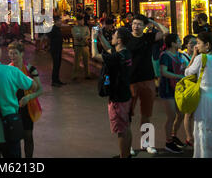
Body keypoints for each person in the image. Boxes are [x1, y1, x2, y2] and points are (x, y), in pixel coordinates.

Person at [127, 14, 168, 155]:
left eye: (139, 24)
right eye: (134, 23)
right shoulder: (127, 38)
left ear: (144, 26)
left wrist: (152, 21)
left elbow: (165, 32)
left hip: (148, 80)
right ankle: (128, 145)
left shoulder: (148, 38)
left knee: (146, 114)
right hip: (131, 81)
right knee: (128, 116)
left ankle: (146, 143)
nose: (135, 26)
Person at [91, 27, 133, 158]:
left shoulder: (116, 57)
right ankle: (126, 154)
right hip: (126, 94)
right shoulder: (125, 53)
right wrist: (100, 36)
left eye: (114, 36)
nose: (112, 38)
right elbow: (109, 47)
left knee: (121, 131)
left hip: (117, 98)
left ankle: (123, 156)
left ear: (119, 40)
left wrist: (93, 39)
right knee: (126, 127)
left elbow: (95, 55)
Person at [184, 32, 212, 158]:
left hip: (205, 96)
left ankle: (204, 155)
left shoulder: (201, 58)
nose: (197, 46)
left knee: (203, 127)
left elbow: (187, 72)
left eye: (199, 43)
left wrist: (194, 56)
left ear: (207, 44)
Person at [8, 41, 43, 158]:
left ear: (22, 54)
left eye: (15, 53)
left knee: (28, 136)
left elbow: (40, 90)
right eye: (11, 54)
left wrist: (29, 97)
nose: (13, 57)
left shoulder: (31, 69)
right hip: (12, 107)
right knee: (14, 138)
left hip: (27, 107)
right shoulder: (7, 70)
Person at [159, 34, 186, 153]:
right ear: (173, 43)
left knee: (180, 114)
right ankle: (168, 142)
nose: (180, 42)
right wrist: (179, 76)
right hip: (167, 88)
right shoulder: (165, 55)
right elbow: (164, 72)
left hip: (178, 88)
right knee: (171, 116)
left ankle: (173, 136)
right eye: (179, 40)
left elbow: (182, 68)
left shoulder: (179, 55)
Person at [180, 35, 197, 147]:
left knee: (196, 113)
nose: (194, 45)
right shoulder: (182, 56)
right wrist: (194, 57)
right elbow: (185, 71)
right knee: (188, 114)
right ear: (186, 44)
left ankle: (194, 136)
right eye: (191, 43)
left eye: (195, 42)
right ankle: (189, 137)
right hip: (187, 87)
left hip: (196, 86)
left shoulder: (199, 56)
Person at [47, 16, 66, 87]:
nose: (61, 22)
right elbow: (50, 38)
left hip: (58, 49)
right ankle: (54, 81)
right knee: (55, 65)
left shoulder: (58, 29)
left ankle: (57, 80)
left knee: (58, 65)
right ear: (56, 22)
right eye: (59, 21)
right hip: (55, 49)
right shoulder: (53, 29)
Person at [71, 15, 91, 80]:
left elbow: (88, 34)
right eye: (80, 20)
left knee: (86, 61)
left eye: (82, 20)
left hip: (85, 46)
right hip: (78, 46)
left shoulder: (86, 27)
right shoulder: (74, 28)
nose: (82, 22)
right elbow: (75, 36)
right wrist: (83, 38)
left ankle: (87, 74)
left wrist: (84, 38)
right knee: (76, 61)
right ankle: (75, 75)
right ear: (77, 21)